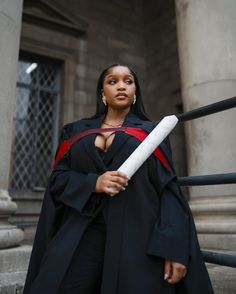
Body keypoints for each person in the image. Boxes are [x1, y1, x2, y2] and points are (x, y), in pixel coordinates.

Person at [23, 64, 214, 294]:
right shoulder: (74, 131)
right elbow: (58, 180)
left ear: (135, 93)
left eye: (128, 81)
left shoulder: (151, 133)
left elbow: (168, 190)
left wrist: (175, 249)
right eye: (112, 81)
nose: (121, 86)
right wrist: (94, 183)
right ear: (102, 93)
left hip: (137, 233)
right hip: (84, 230)